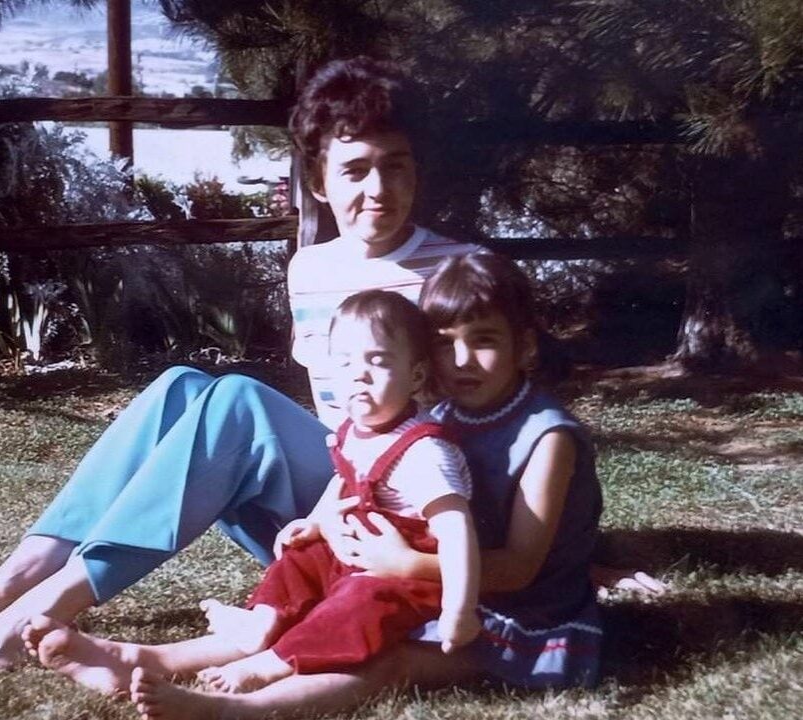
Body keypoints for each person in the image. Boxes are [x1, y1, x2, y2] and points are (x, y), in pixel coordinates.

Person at [0, 56, 659, 680]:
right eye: (354, 170)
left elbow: (509, 430)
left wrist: (573, 554)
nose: (377, 189)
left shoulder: (458, 271)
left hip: (422, 520)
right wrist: (321, 511)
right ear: (318, 179)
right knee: (182, 388)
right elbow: (333, 417)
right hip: (332, 508)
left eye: (396, 166)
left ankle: (32, 618)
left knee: (237, 404)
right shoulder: (308, 269)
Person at [127, 249, 605, 718]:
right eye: (443, 342)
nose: (461, 360)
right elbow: (360, 477)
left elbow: (519, 570)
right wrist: (325, 524)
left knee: (382, 655)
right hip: (439, 583)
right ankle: (153, 659)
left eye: (484, 340)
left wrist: (405, 563)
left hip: (518, 613)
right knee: (322, 600)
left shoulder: (546, 438)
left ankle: (237, 709)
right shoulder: (439, 416)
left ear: (524, 346)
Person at [19, 290, 482, 693]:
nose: (359, 375)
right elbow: (343, 479)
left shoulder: (425, 452)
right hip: (355, 551)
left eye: (377, 362)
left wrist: (459, 611)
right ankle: (255, 628)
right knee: (297, 562)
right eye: (345, 362)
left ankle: (269, 664)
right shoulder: (355, 430)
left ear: (417, 377)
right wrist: (316, 521)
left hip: (405, 577)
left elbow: (458, 534)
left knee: (358, 605)